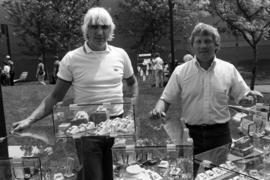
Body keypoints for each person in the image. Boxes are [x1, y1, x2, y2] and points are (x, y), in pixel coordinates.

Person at [12, 7, 138, 180]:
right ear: (86, 29)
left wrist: (131, 112)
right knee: (94, 176)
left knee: (118, 175)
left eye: (104, 27)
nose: (100, 32)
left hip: (118, 127)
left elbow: (132, 83)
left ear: (111, 29)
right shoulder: (72, 59)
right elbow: (56, 97)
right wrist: (30, 119)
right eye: (94, 27)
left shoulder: (120, 55)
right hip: (87, 130)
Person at [150, 22, 262, 155]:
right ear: (192, 45)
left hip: (220, 135)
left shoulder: (228, 69)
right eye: (198, 41)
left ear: (216, 45)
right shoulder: (180, 71)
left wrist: (249, 99)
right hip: (189, 134)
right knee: (188, 173)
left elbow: (242, 97)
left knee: (221, 173)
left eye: (208, 41)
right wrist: (158, 110)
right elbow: (165, 99)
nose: (203, 45)